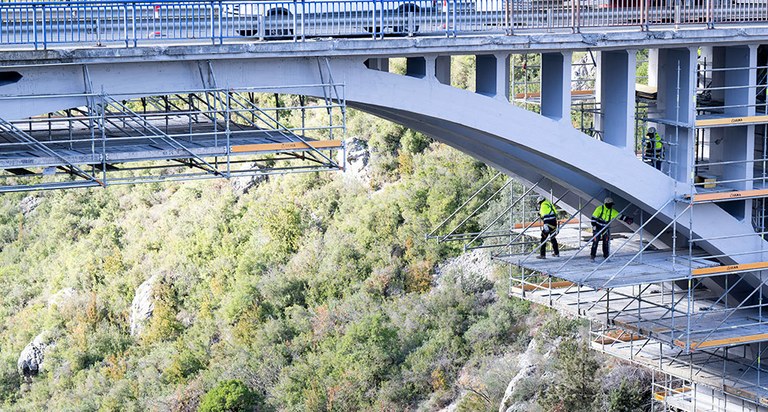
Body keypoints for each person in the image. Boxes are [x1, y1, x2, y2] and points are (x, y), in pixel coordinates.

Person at [590, 197, 633, 262]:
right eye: (609, 204)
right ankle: (592, 256)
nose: (610, 205)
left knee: (606, 241)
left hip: (605, 228)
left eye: (611, 204)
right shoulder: (599, 209)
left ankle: (606, 255)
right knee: (596, 241)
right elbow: (593, 219)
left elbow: (619, 216)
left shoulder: (612, 211)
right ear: (605, 203)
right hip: (597, 227)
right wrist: (594, 226)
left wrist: (627, 219)